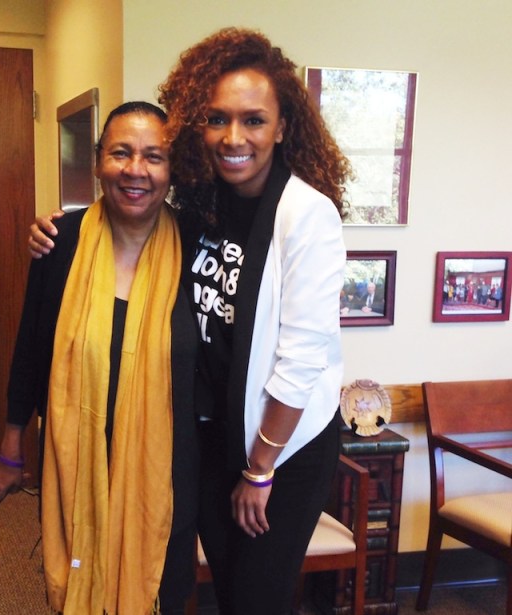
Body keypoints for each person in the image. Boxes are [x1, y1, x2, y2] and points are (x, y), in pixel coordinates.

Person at [30, 28, 350, 615]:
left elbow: (301, 357)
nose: (234, 137)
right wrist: (62, 228)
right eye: (216, 118)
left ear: (282, 127)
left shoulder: (307, 215)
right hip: (214, 438)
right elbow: (127, 223)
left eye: (253, 120)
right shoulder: (199, 205)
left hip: (280, 450)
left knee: (257, 599)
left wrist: (259, 469)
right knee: (223, 588)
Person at [0, 101, 198, 615]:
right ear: (98, 160)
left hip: (167, 466)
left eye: (154, 157)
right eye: (121, 153)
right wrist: (12, 443)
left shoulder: (199, 249)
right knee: (76, 576)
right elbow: (31, 348)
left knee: (160, 591)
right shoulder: (58, 243)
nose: (135, 170)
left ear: (172, 169)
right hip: (74, 454)